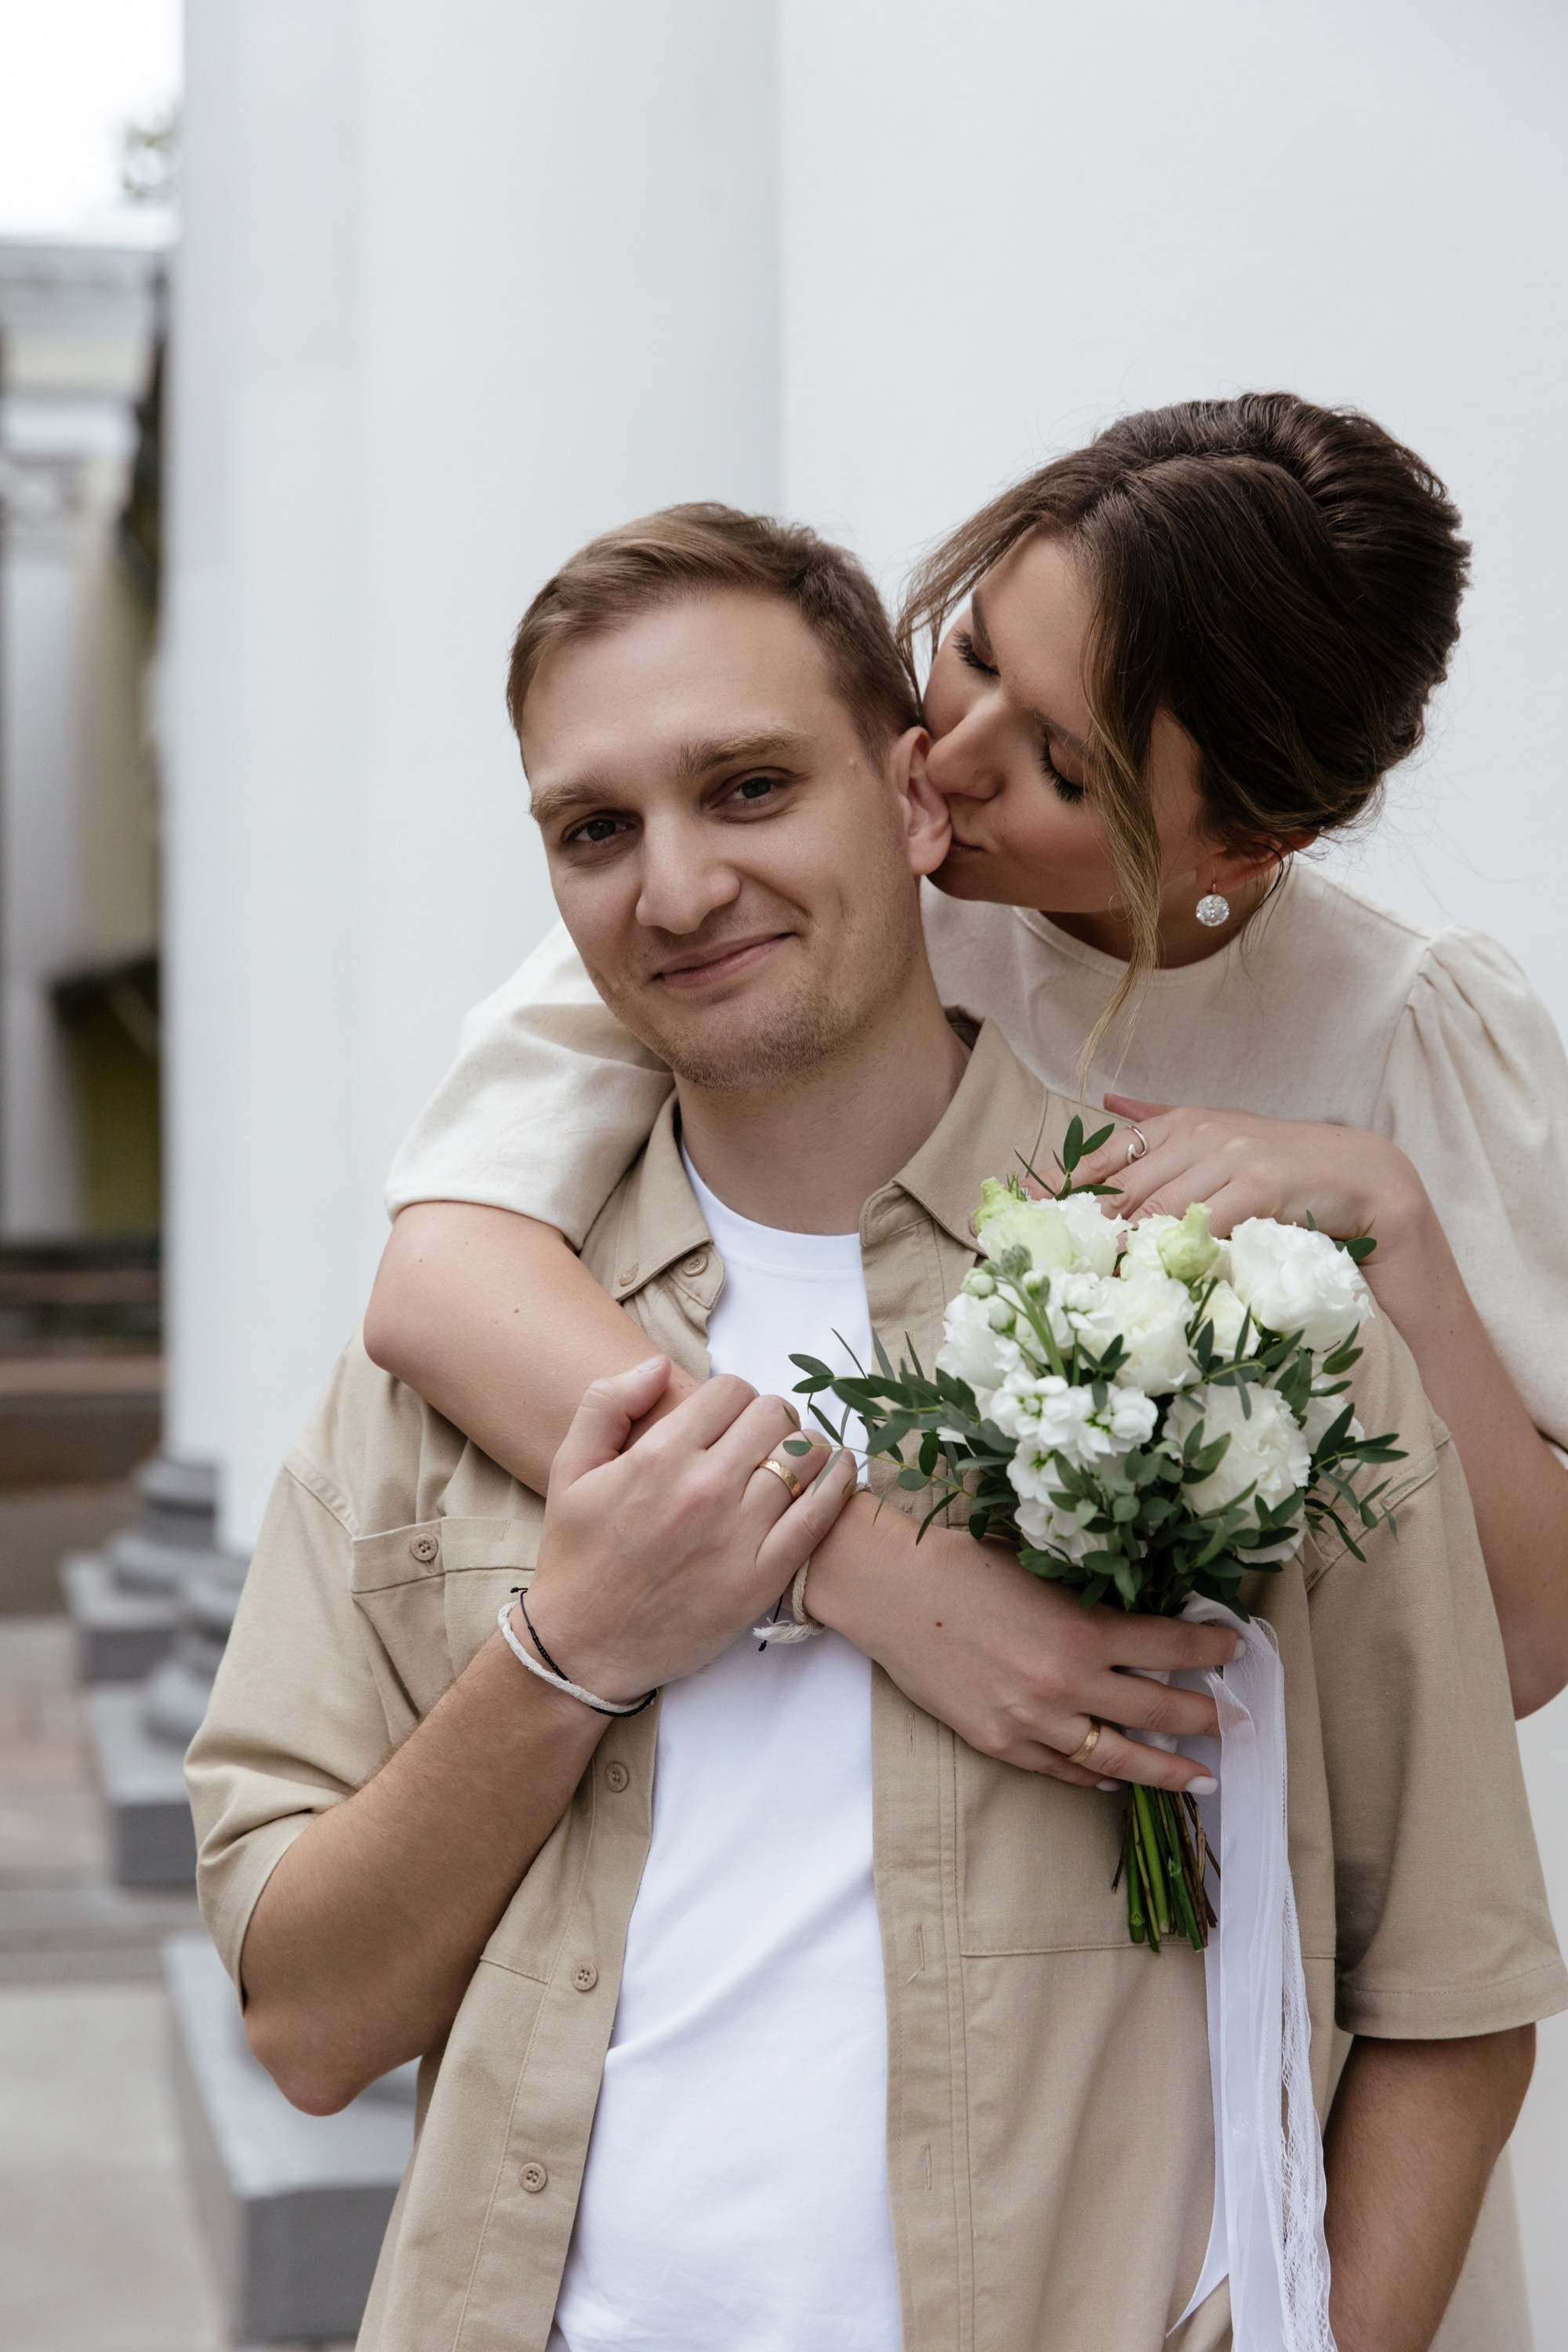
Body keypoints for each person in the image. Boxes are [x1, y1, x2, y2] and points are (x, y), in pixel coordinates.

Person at [187, 510, 1564, 2352]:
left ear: (907, 811)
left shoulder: (1244, 1309)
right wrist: (581, 1643)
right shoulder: (465, 1350)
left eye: (752, 789)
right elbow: (304, 2023)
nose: (675, 890)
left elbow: (1455, 1980)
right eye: (596, 829)